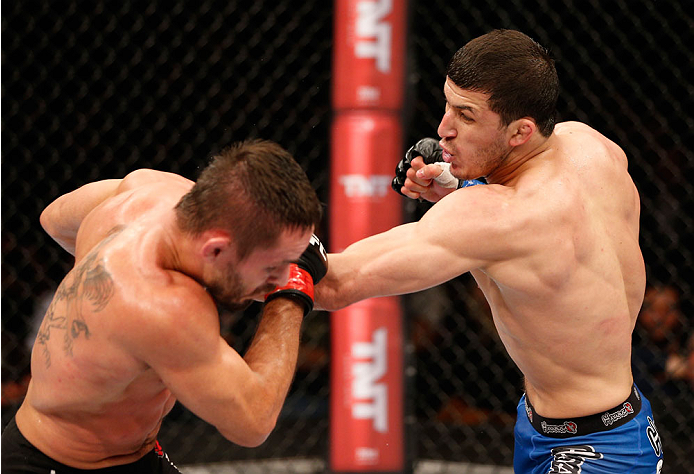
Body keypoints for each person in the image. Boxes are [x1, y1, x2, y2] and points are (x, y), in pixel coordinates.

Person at [315, 29, 664, 473]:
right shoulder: (592, 146)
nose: (443, 128)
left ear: (521, 130)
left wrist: (257, 240)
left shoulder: (495, 217)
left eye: (466, 116)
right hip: (612, 423)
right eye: (447, 105)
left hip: (598, 458)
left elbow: (335, 284)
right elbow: (536, 225)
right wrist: (461, 185)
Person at [0, 139, 328, 473]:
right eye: (272, 268)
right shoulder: (159, 304)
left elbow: (53, 219)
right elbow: (254, 421)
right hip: (56, 465)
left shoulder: (147, 195)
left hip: (137, 455)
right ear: (216, 250)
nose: (278, 277)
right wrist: (291, 293)